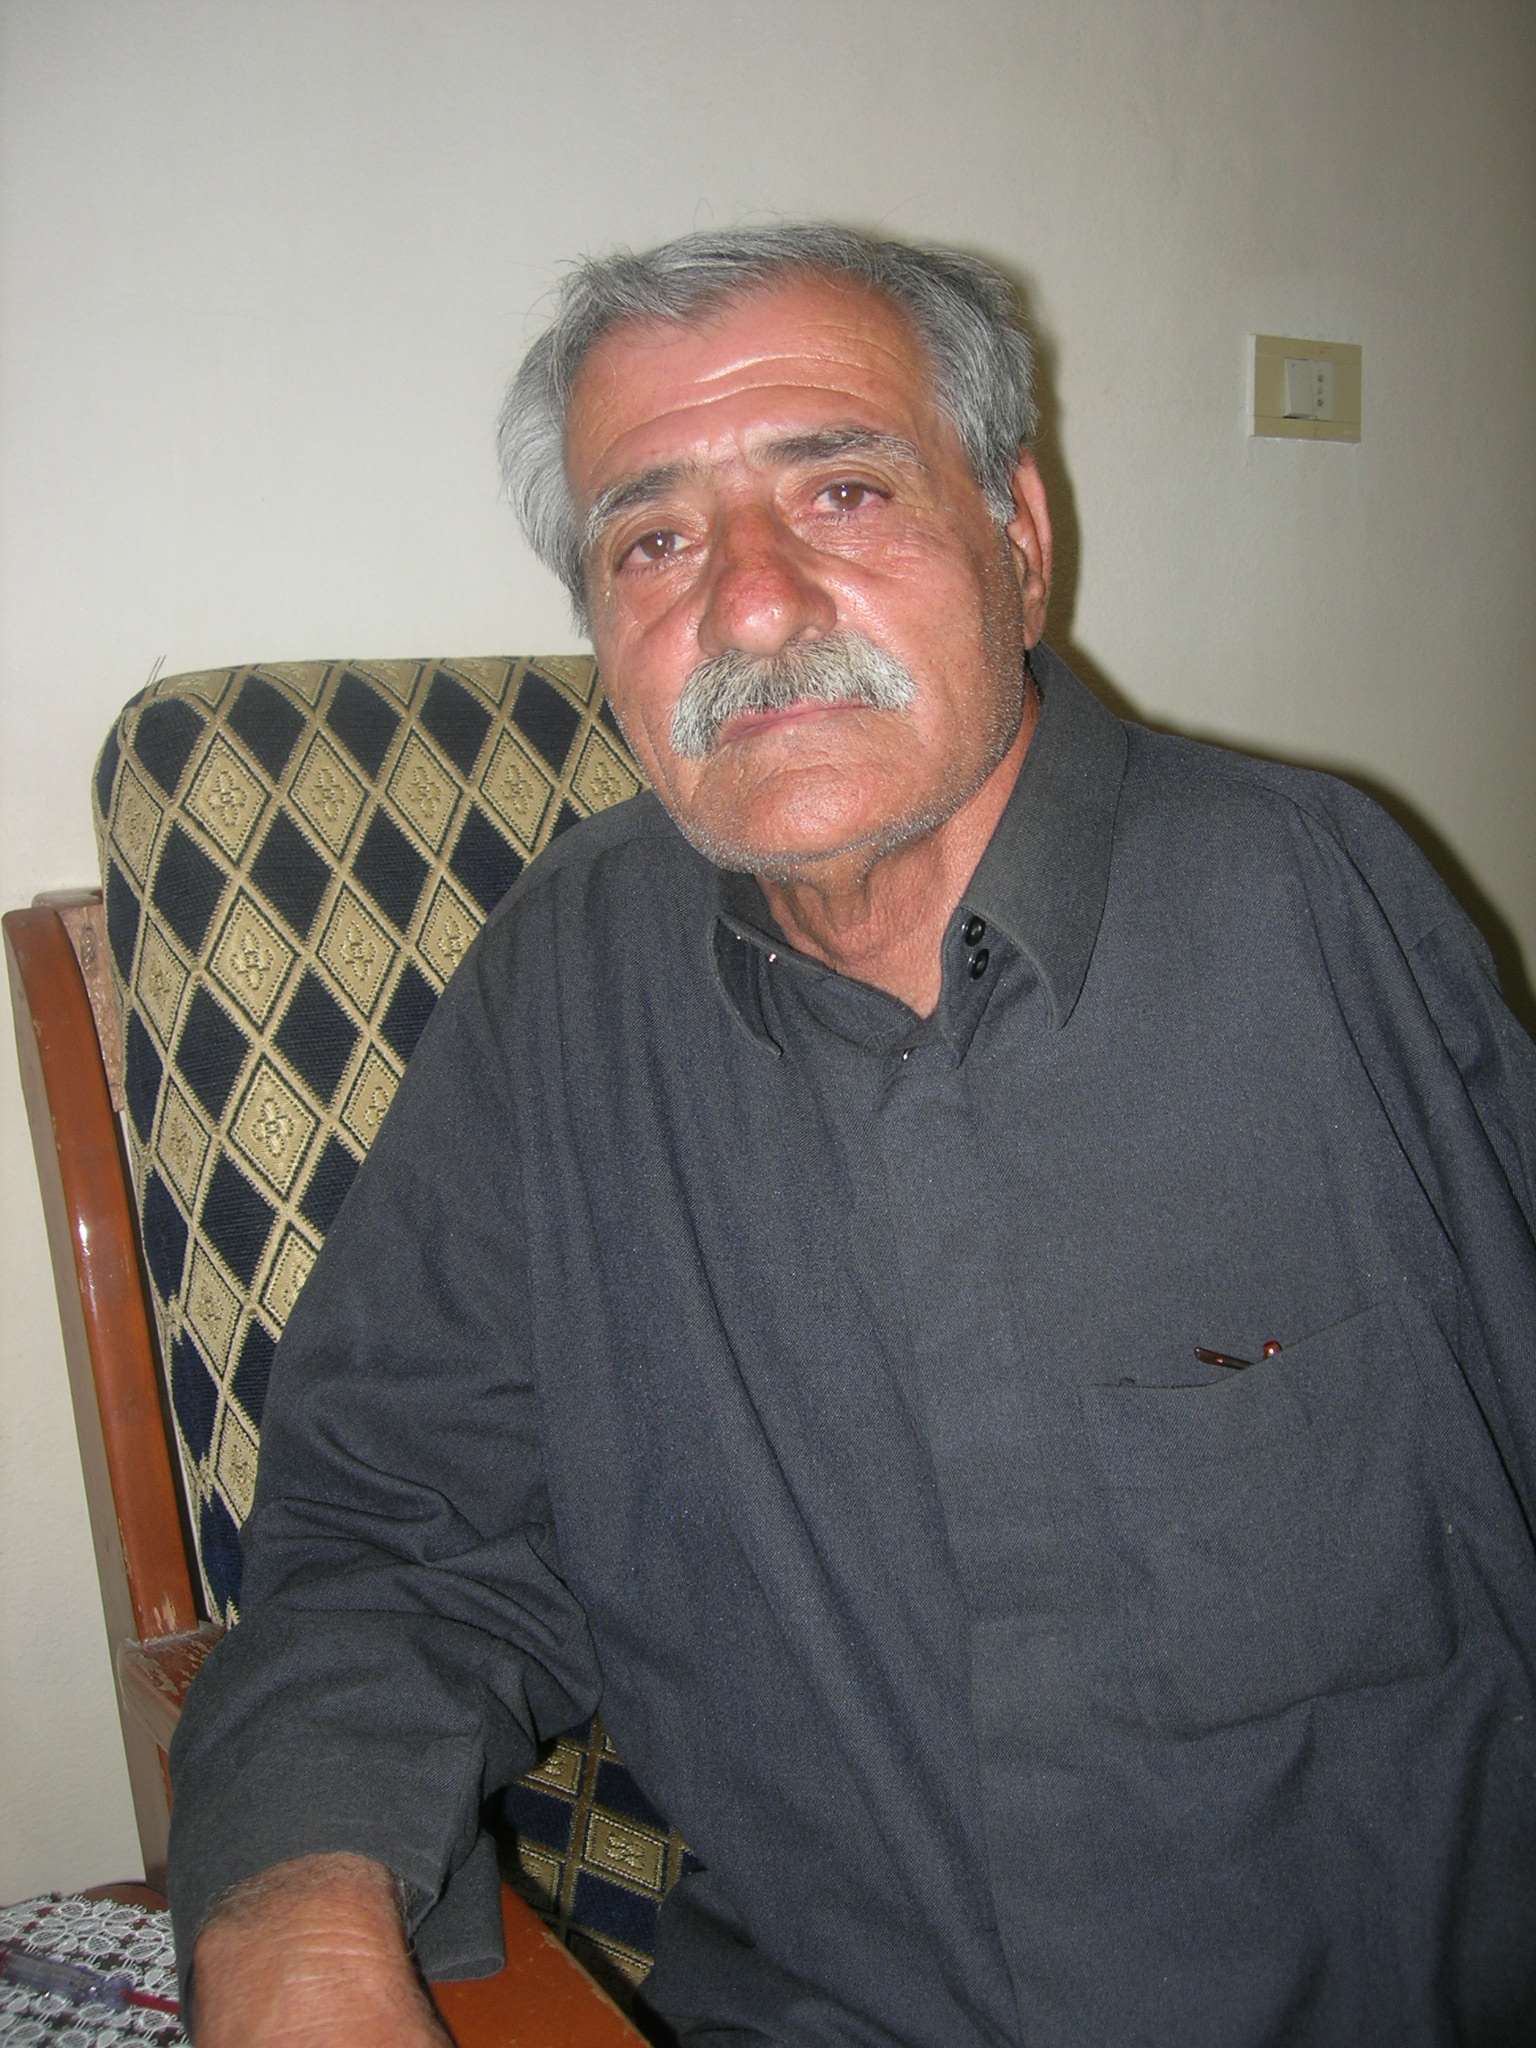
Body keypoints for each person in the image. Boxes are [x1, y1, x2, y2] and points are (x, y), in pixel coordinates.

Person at [170, 224, 1536, 2046]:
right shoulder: (563, 987)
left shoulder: (1314, 904)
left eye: (844, 491)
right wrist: (292, 1925)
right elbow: (395, 1534)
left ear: (1018, 542)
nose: (748, 605)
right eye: (654, 540)